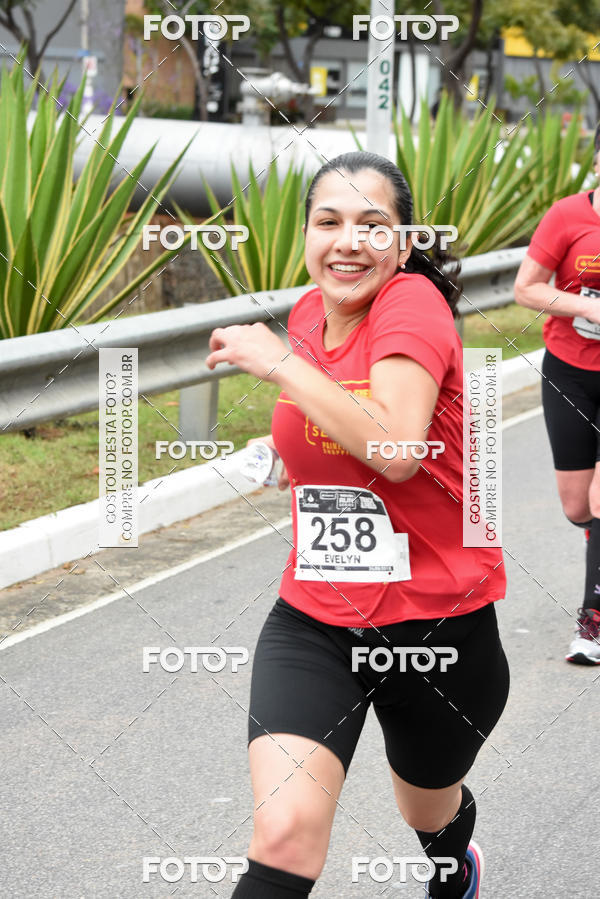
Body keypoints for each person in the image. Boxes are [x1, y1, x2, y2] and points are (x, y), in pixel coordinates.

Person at [206, 151, 509, 898]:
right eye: (328, 221)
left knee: (429, 809)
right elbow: (331, 422)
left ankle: (453, 867)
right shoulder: (310, 312)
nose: (347, 241)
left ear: (403, 244)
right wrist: (290, 454)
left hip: (438, 631)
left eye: (373, 225)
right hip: (317, 619)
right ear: (305, 234)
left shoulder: (411, 303)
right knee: (283, 833)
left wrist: (278, 365)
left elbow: (398, 448)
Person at [514, 125, 600, 664]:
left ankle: (592, 622)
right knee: (577, 507)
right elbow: (526, 287)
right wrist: (585, 307)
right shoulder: (568, 216)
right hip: (569, 370)